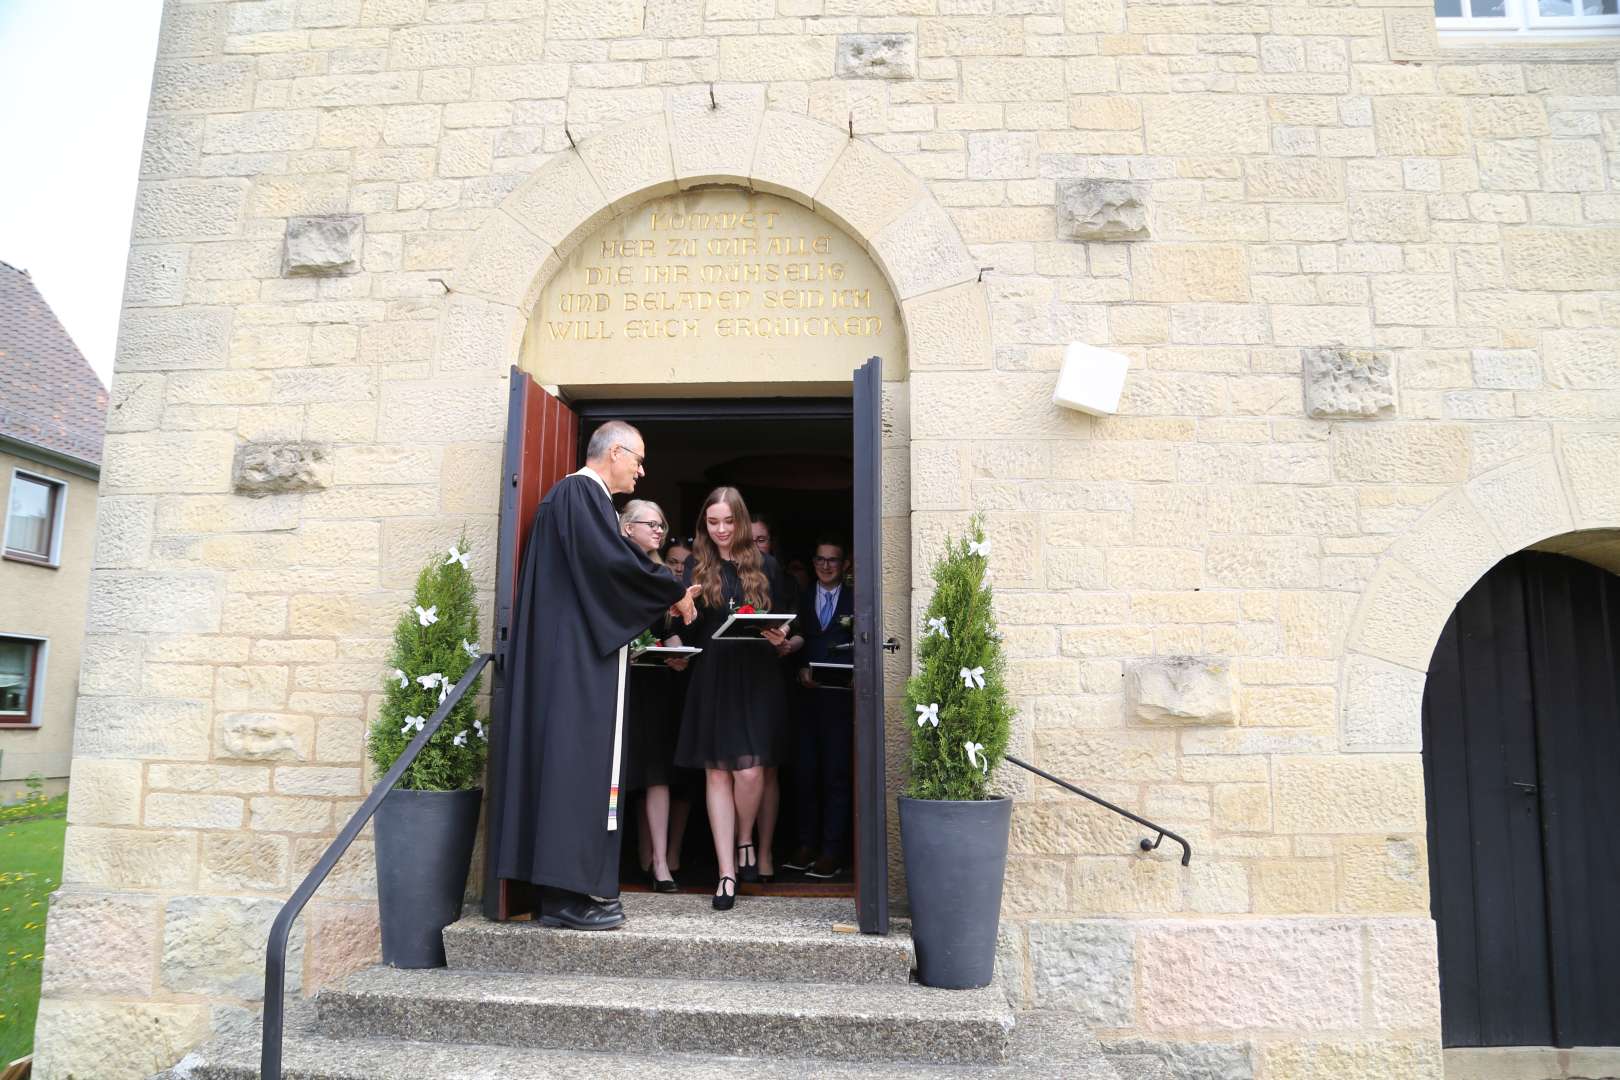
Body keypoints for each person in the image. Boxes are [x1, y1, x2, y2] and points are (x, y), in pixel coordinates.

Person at [494, 421, 699, 931]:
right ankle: (563, 898)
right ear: (615, 452)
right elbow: (609, 565)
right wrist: (668, 588)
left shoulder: (587, 501)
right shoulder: (576, 493)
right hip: (570, 664)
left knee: (579, 768)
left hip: (575, 656)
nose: (643, 469)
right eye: (639, 459)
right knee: (572, 766)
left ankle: (571, 891)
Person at [674, 487, 795, 910]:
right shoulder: (695, 565)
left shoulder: (768, 566)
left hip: (758, 675)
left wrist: (780, 637)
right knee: (716, 775)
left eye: (728, 521)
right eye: (713, 522)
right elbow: (689, 634)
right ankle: (726, 871)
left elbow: (783, 623)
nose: (721, 530)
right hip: (713, 675)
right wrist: (681, 612)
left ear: (740, 522)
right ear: (704, 524)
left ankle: (746, 837)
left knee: (750, 774)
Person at [618, 499, 692, 894]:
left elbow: (667, 627)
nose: (660, 530)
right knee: (620, 775)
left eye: (662, 524)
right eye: (652, 524)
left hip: (658, 687)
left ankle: (661, 864)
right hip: (620, 685)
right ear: (627, 528)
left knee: (659, 775)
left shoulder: (664, 573)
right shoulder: (616, 567)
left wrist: (678, 651)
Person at [781, 538, 856, 880]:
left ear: (844, 564)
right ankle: (806, 845)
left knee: (837, 776)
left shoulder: (857, 598)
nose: (826, 566)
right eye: (820, 560)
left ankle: (832, 851)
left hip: (840, 700)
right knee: (805, 774)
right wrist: (799, 668)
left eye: (833, 560)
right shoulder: (800, 595)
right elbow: (794, 637)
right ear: (813, 563)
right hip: (806, 700)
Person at [746, 513, 797, 884]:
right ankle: (738, 849)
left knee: (767, 769)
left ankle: (764, 852)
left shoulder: (779, 574)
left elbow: (799, 629)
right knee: (735, 770)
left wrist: (786, 642)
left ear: (771, 543)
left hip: (770, 677)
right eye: (749, 540)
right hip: (732, 676)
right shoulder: (726, 570)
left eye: (761, 540)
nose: (755, 546)